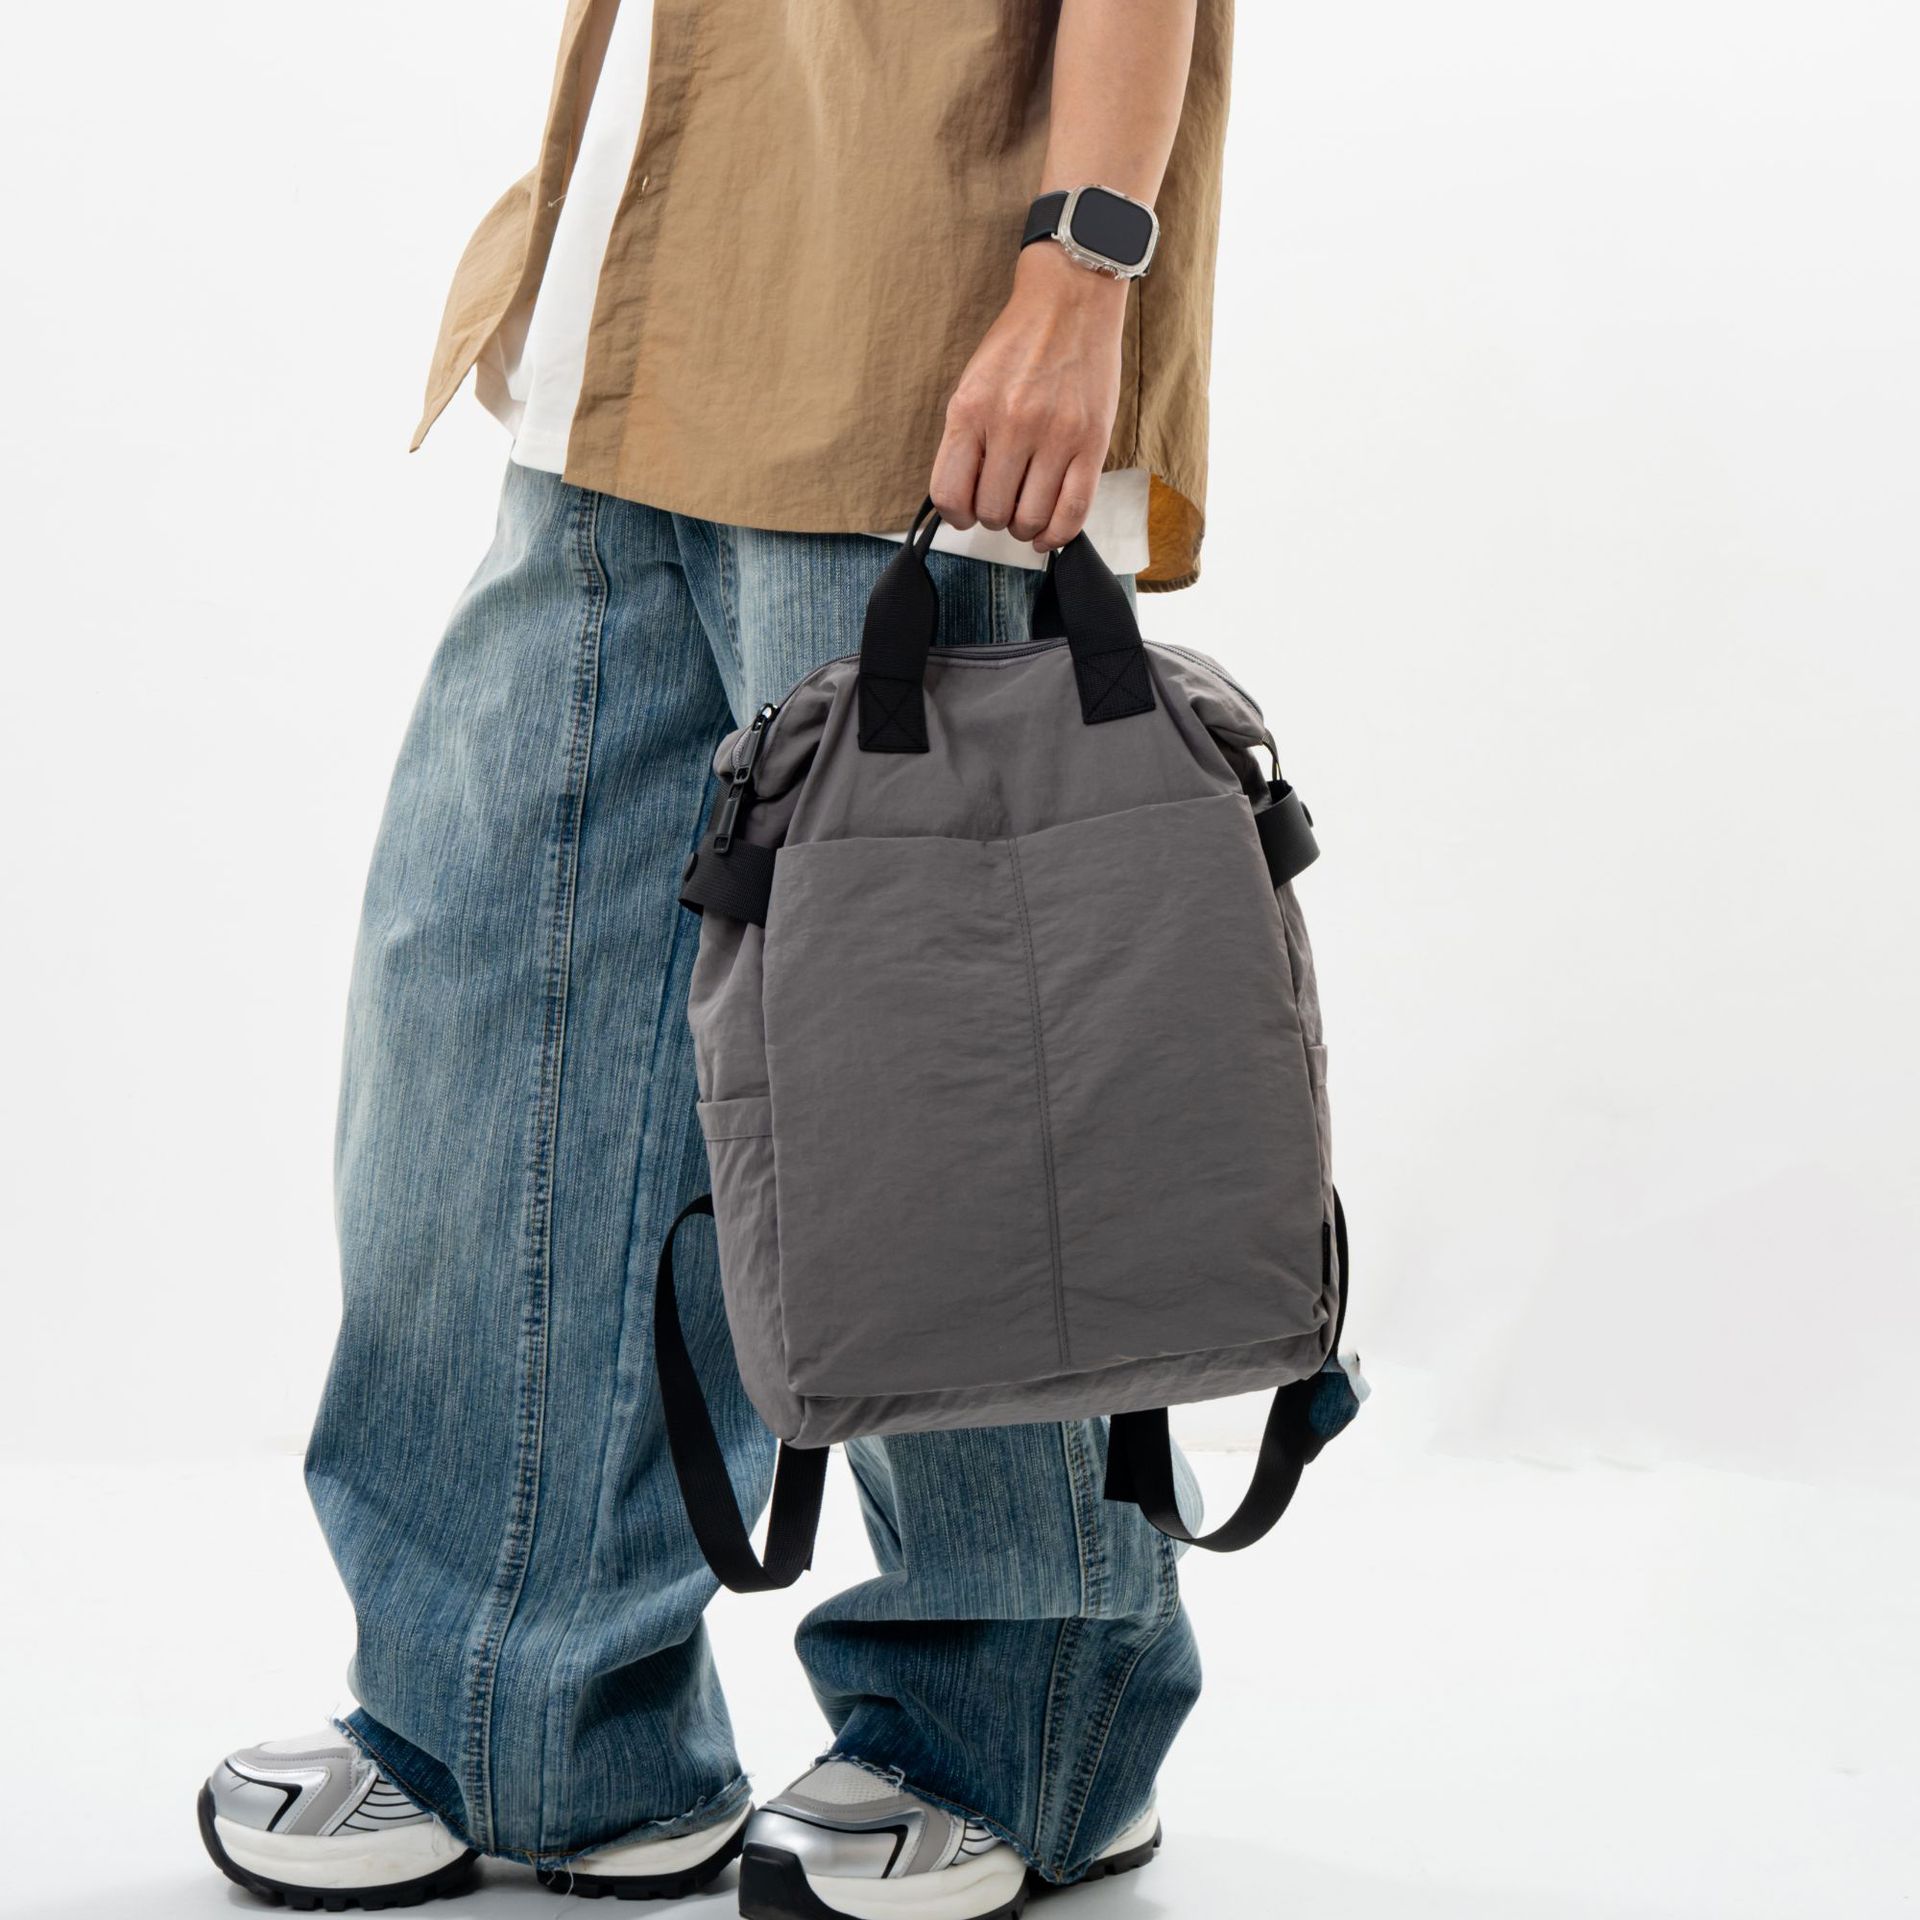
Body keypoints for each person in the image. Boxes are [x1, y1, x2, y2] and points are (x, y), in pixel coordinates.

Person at [198, 3, 1234, 1914]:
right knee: (496, 1027)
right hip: (627, 322)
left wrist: (1083, 262)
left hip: (909, 337)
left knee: (931, 1096)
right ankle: (524, 1727)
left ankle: (1025, 1738)